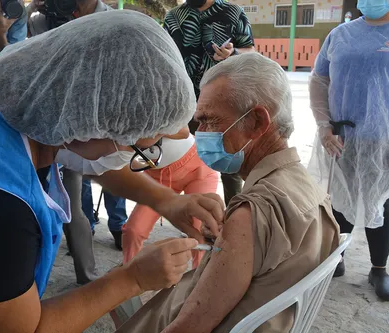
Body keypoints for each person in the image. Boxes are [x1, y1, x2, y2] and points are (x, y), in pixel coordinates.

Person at [0, 11, 225, 333]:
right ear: (87, 125)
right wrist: (132, 278)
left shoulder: (9, 81)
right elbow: (22, 330)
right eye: (135, 149)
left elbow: (89, 154)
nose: (133, 160)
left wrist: (167, 201)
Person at [116, 52, 340, 333]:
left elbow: (189, 327)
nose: (201, 134)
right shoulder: (307, 185)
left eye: (210, 120)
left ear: (258, 122)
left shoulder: (249, 212)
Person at [309, 0, 389, 302]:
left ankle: (378, 269)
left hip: (386, 138)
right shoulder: (340, 34)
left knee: (380, 201)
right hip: (341, 137)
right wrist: (324, 125)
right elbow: (318, 79)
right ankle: (335, 260)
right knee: (339, 200)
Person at [25, 0, 119, 282]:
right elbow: (27, 63)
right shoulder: (41, 19)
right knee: (30, 202)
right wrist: (29, 15)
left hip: (86, 129)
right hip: (36, 124)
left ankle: (87, 278)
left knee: (72, 205)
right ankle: (26, 277)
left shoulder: (114, 21)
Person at [164, 0, 255, 206]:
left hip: (222, 102)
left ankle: (233, 217)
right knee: (182, 160)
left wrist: (234, 54)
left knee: (229, 164)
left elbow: (251, 50)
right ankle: (191, 215)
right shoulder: (174, 17)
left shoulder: (233, 12)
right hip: (182, 102)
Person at [122, 127, 219, 268]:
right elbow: (124, 163)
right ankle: (129, 273)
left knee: (199, 230)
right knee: (134, 229)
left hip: (197, 168)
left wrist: (149, 132)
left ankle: (198, 279)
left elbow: (184, 131)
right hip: (158, 176)